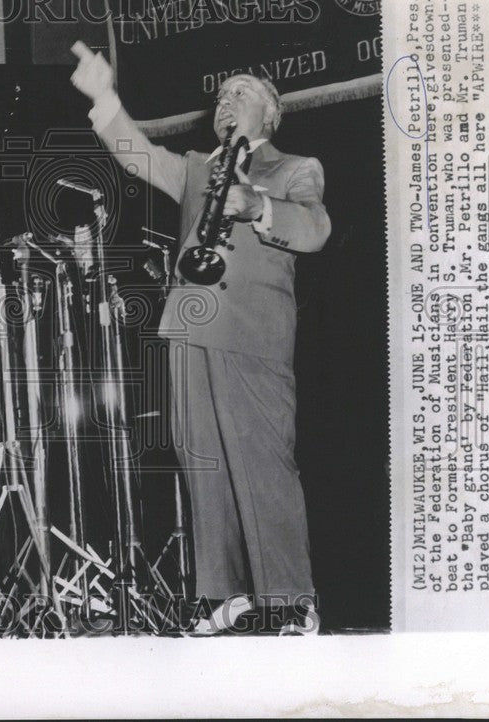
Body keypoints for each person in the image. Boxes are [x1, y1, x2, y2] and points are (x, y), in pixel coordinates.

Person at [69, 41, 330, 635]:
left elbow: (315, 228)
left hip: (253, 332)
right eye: (220, 95)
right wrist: (105, 96)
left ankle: (289, 599)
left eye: (240, 93)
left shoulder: (294, 169)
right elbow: (136, 156)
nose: (225, 102)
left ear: (271, 114)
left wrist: (257, 203)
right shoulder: (195, 166)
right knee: (201, 462)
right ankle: (223, 595)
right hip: (187, 323)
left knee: (261, 462)